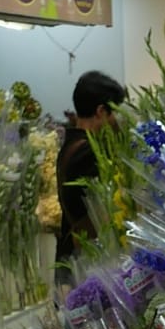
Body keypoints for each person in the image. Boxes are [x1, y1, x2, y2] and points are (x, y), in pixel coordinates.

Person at [55, 69, 126, 273]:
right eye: (116, 113)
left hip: (76, 255)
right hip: (86, 261)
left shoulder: (72, 143)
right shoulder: (88, 153)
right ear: (101, 111)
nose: (117, 122)